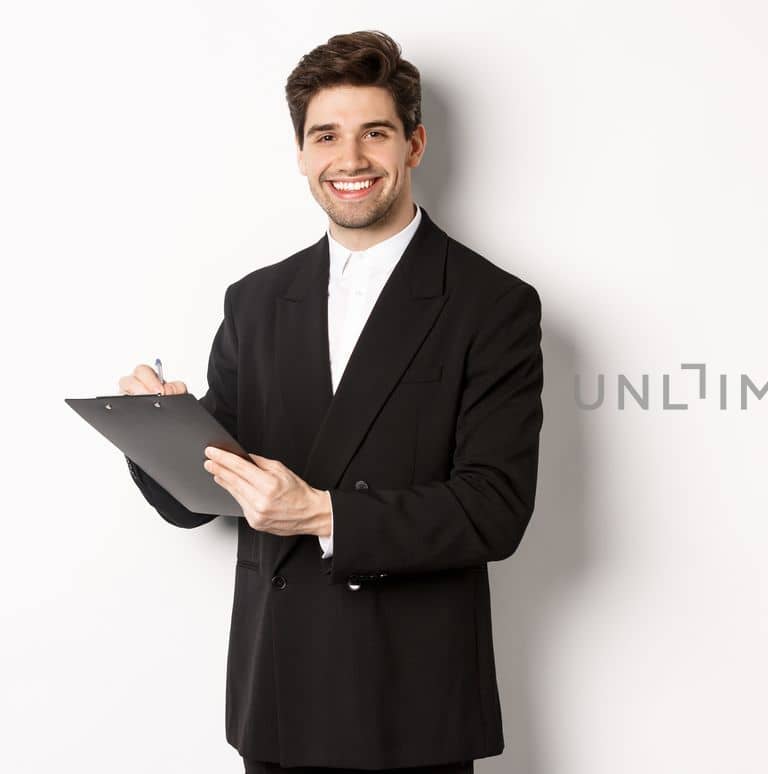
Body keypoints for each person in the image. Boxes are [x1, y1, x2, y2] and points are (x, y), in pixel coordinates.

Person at [116, 30, 543, 773]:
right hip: (277, 697)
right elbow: (201, 498)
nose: (349, 160)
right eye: (326, 136)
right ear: (302, 153)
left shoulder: (491, 304)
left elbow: (495, 507)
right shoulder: (253, 301)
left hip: (411, 705)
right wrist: (161, 435)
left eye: (373, 133)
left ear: (414, 145)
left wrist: (321, 512)